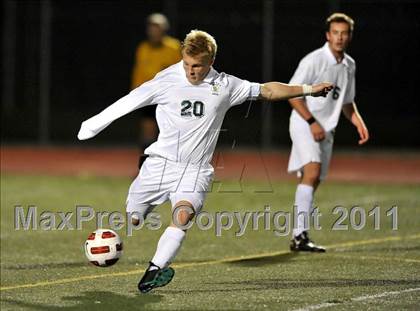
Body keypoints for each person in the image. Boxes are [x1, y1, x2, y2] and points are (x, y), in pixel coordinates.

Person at [78, 30, 333, 293]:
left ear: (210, 61)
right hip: (159, 165)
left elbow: (267, 90)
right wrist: (93, 125)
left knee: (183, 215)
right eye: (187, 64)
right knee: (134, 217)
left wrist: (309, 89)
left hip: (195, 171)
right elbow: (128, 102)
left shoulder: (224, 85)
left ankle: (155, 270)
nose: (191, 71)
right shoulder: (166, 80)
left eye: (197, 65)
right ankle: (140, 216)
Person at [287, 13, 369, 252]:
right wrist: (312, 122)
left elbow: (347, 102)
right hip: (305, 122)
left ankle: (298, 235)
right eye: (335, 32)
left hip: (326, 128)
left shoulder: (349, 65)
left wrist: (358, 122)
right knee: (312, 172)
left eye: (344, 33)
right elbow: (293, 94)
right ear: (327, 35)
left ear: (349, 36)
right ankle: (300, 237)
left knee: (314, 179)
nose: (339, 37)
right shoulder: (313, 60)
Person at [131, 13, 182, 165]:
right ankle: (146, 166)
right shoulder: (143, 48)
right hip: (149, 96)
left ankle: (173, 166)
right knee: (148, 131)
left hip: (170, 97)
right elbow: (138, 72)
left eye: (157, 27)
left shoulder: (174, 47)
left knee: (172, 132)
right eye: (151, 27)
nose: (153, 30)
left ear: (164, 29)